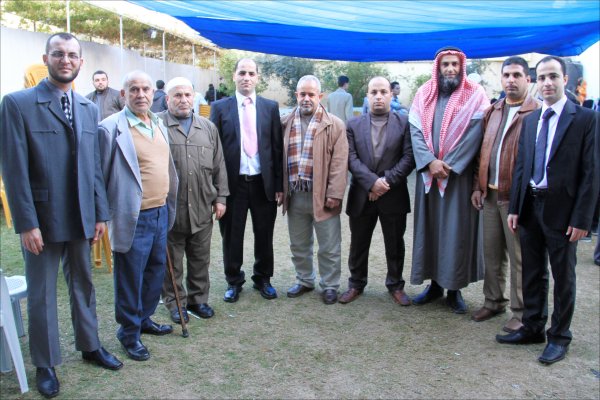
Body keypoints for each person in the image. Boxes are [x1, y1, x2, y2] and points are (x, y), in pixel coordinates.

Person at [0, 32, 122, 398]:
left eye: (72, 55)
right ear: (46, 58)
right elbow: (14, 169)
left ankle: (90, 345)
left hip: (82, 216)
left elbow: (94, 167)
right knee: (41, 293)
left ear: (81, 62)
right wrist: (26, 223)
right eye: (58, 54)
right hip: (42, 219)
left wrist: (100, 213)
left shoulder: (87, 107)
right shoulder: (17, 104)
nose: (65, 60)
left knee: (83, 284)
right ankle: (45, 363)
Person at [496, 56, 598, 365]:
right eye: (542, 78)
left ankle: (559, 337)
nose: (547, 83)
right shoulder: (531, 121)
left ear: (565, 79)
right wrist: (515, 208)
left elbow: (591, 174)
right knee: (532, 271)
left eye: (553, 76)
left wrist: (582, 219)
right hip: (530, 207)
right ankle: (532, 327)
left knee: (563, 276)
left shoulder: (586, 119)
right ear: (535, 82)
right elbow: (522, 167)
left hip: (564, 213)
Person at [98, 70, 178, 362]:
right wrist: (102, 216)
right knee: (130, 277)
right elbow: (99, 176)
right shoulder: (110, 128)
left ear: (153, 93)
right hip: (133, 216)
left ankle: (144, 319)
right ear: (123, 94)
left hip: (160, 211)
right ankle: (129, 333)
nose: (141, 94)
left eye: (146, 89)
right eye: (134, 89)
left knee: (155, 271)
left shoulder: (158, 123)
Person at [409, 46, 489, 314]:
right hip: (428, 178)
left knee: (456, 233)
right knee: (429, 230)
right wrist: (430, 162)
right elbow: (415, 131)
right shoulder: (423, 94)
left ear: (462, 66)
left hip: (458, 179)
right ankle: (434, 286)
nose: (451, 69)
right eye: (446, 65)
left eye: (455, 64)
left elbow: (475, 135)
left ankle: (454, 290)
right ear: (438, 68)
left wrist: (448, 165)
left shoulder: (475, 95)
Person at [471, 57, 541, 333]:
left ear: (528, 79)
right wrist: (477, 186)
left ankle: (521, 311)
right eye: (506, 75)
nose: (511, 80)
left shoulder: (536, 112)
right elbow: (482, 153)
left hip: (517, 199)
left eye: (517, 75)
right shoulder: (493, 111)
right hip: (490, 194)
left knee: (519, 257)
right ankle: (493, 301)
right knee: (491, 253)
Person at [210, 58, 283, 303]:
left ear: (257, 78)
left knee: (264, 234)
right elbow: (214, 151)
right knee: (232, 236)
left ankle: (263, 278)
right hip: (233, 184)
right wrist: (217, 190)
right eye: (242, 73)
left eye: (251, 73)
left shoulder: (270, 107)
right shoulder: (220, 108)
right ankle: (233, 281)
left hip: (263, 184)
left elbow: (276, 148)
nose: (246, 77)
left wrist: (279, 185)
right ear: (234, 76)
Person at [340, 76, 415, 305]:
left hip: (393, 195)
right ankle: (356, 284)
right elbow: (351, 158)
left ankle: (395, 285)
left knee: (395, 244)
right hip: (362, 195)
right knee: (358, 244)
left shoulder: (405, 123)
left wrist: (384, 182)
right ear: (367, 96)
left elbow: (409, 157)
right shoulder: (353, 125)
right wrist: (372, 183)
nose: (379, 96)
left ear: (391, 95)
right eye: (374, 92)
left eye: (383, 92)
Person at [158, 77, 229, 323]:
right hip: (171, 209)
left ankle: (198, 300)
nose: (183, 100)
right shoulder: (156, 125)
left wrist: (221, 198)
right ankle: (176, 302)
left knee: (200, 258)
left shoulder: (208, 128)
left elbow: (219, 165)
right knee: (172, 262)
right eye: (177, 95)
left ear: (194, 97)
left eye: (187, 95)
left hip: (201, 206)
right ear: (167, 99)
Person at [281, 75, 348, 304]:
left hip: (323, 196)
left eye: (311, 94)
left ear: (320, 96)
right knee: (299, 244)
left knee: (329, 246)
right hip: (295, 194)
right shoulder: (285, 122)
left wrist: (335, 194)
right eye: (302, 94)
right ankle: (304, 280)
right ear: (296, 95)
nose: (306, 98)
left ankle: (330, 285)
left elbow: (340, 163)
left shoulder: (334, 124)